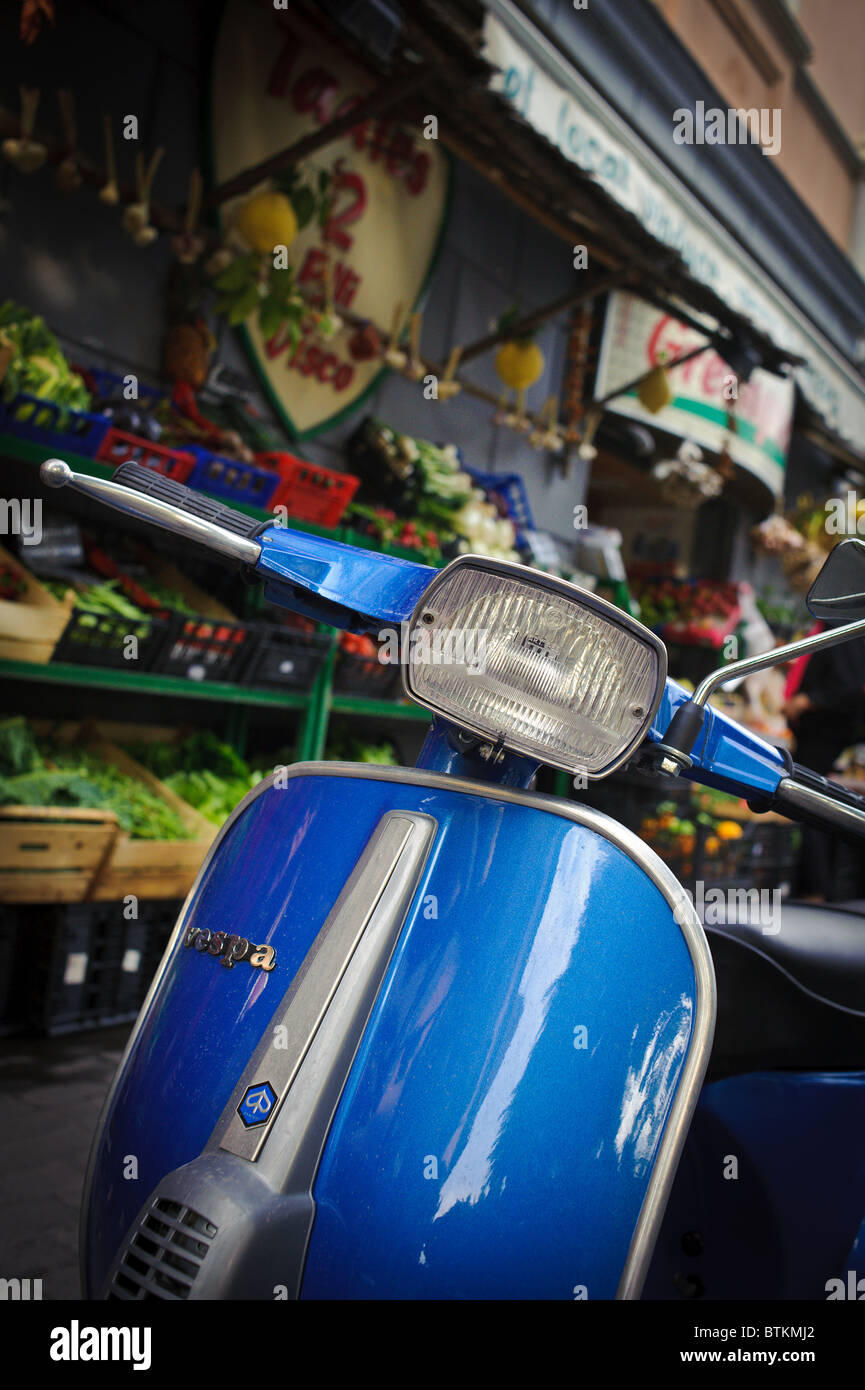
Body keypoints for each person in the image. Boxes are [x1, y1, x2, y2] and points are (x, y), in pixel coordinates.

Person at [784, 620, 865, 900]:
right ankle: (810, 888)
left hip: (825, 738)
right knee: (811, 809)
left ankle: (816, 890)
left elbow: (848, 685)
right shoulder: (828, 623)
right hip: (815, 736)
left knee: (814, 809)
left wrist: (806, 700)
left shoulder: (844, 624)